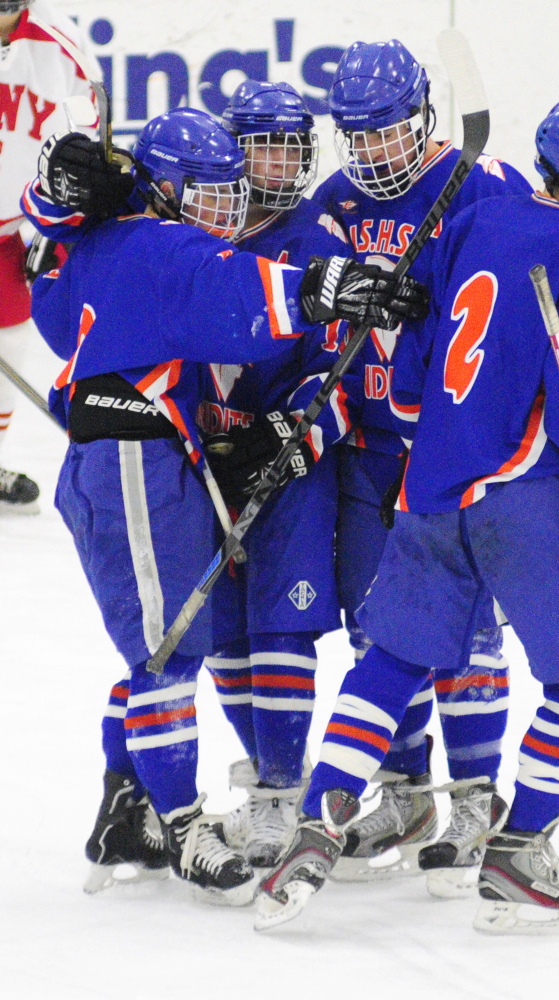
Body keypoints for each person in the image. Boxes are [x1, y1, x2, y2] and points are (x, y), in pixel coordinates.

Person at [256, 95, 559, 935]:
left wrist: (439, 432)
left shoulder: (477, 224)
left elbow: (407, 374)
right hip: (523, 494)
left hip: (429, 482)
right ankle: (520, 853)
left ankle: (320, 817)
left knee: (395, 658)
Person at [23, 106, 426, 903]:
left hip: (153, 458)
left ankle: (127, 801)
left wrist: (54, 207)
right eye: (207, 189)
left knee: (169, 637)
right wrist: (329, 288)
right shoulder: (161, 241)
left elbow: (46, 286)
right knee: (166, 649)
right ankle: (181, 826)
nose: (226, 204)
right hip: (134, 462)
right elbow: (230, 290)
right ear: (168, 187)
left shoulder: (111, 236)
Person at [311, 38, 532, 883]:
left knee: (468, 634)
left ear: (424, 120)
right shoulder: (333, 200)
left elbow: (505, 302)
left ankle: (477, 794)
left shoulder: (478, 186)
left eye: (387, 132)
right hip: (364, 446)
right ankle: (407, 793)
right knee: (377, 628)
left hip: (446, 453)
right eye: (357, 136)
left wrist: (430, 302)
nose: (371, 152)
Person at [199, 80, 359, 868]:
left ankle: (274, 792)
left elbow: (343, 364)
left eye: (295, 146)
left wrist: (297, 429)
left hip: (289, 468)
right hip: (204, 464)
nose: (283, 162)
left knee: (280, 624)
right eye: (266, 144)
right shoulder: (194, 226)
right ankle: (275, 776)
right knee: (224, 633)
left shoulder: (318, 237)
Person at [0, 0, 98, 511]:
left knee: (13, 336)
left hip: (18, 219)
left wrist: (50, 220)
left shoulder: (61, 45)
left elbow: (85, 142)